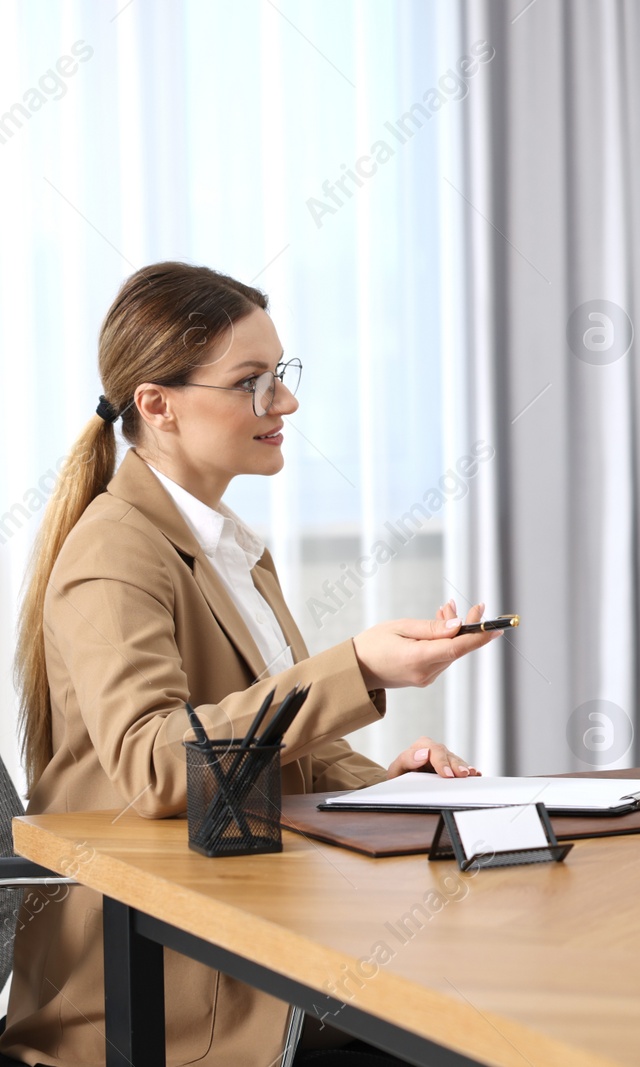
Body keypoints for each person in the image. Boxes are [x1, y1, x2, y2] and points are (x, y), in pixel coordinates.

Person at [2, 263, 503, 1066]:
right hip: (163, 986)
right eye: (252, 383)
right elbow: (158, 764)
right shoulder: (113, 549)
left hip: (247, 937)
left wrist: (389, 786)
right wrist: (358, 668)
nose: (286, 404)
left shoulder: (228, 547)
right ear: (156, 405)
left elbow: (265, 747)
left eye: (282, 376)